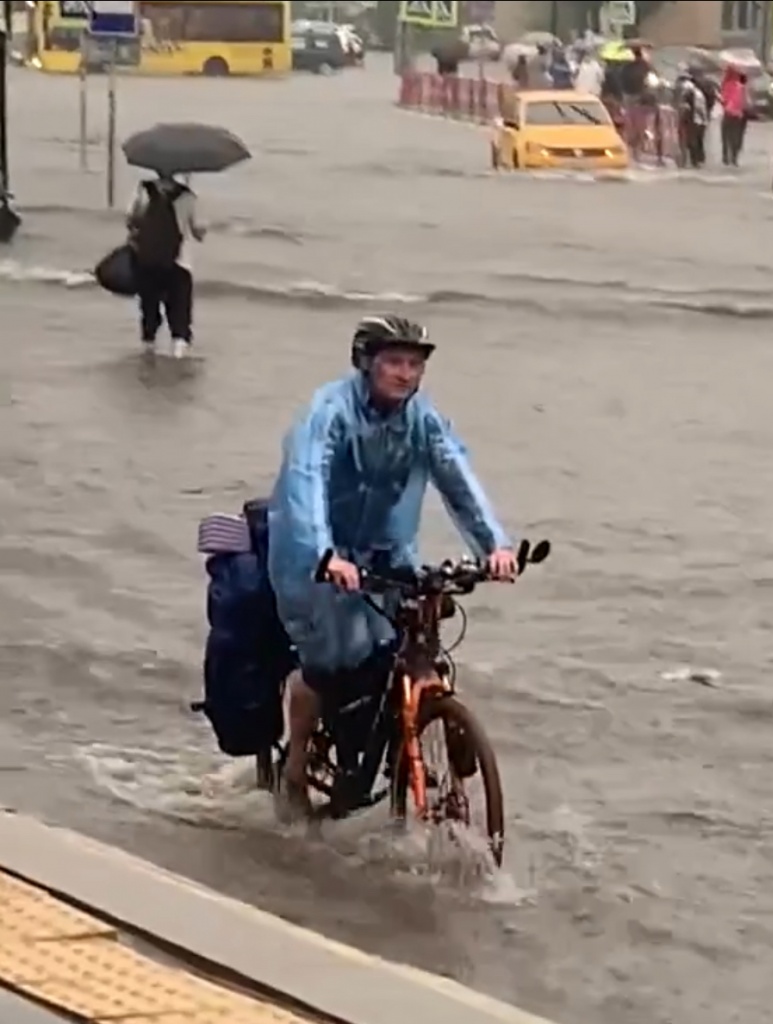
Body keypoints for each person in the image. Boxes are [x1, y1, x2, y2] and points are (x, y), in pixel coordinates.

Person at [266, 315, 518, 817]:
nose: (406, 374)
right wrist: (324, 553)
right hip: (312, 555)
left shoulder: (423, 420)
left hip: (385, 553)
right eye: (394, 362)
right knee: (329, 666)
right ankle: (295, 767)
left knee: (408, 641)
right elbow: (305, 481)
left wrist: (496, 546)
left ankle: (399, 741)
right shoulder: (329, 412)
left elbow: (456, 475)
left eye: (415, 364)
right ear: (366, 364)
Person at [126, 172, 205, 358]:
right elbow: (197, 232)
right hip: (179, 262)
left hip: (147, 260)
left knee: (149, 310)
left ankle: (148, 352)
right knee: (179, 313)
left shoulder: (143, 190)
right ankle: (178, 355)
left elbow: (130, 220)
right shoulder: (188, 196)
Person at [719, 65, 748, 167]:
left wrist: (725, 104)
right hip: (739, 115)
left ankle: (726, 157)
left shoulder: (726, 85)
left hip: (728, 113)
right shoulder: (741, 87)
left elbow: (723, 99)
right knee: (736, 137)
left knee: (726, 136)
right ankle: (734, 158)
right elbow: (744, 102)